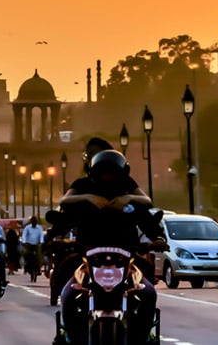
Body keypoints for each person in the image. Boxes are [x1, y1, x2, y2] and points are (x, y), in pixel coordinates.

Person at [53, 148, 164, 345]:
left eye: (112, 172)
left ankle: (143, 338)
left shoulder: (128, 191)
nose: (108, 177)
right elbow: (65, 205)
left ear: (122, 173)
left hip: (127, 257)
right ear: (94, 172)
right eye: (103, 172)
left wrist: (158, 238)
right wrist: (87, 199)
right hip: (87, 257)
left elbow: (146, 207)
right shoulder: (82, 187)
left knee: (147, 293)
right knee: (68, 294)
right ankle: (70, 337)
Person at [21, 216, 45, 283]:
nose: (34, 223)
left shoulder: (39, 228)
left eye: (35, 221)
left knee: (39, 256)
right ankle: (26, 266)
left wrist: (41, 242)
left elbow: (41, 236)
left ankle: (38, 269)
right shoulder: (27, 228)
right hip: (29, 244)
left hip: (37, 244)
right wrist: (24, 242)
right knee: (26, 254)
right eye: (33, 221)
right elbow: (24, 235)